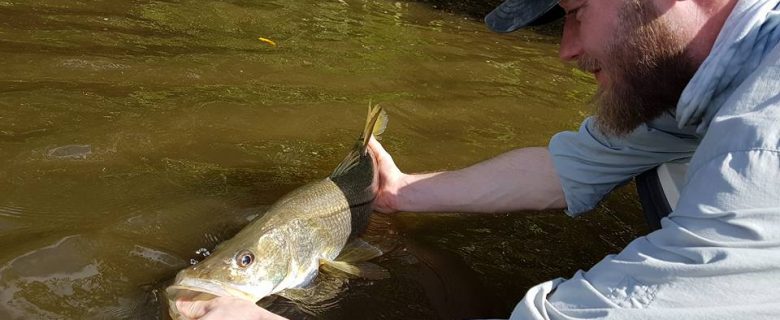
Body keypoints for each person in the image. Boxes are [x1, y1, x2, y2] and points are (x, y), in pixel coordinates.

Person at [176, 0, 780, 318]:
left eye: (574, 14)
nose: (564, 52)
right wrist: (402, 193)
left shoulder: (762, 147)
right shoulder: (689, 80)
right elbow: (574, 165)